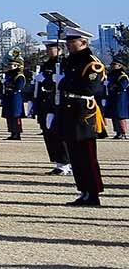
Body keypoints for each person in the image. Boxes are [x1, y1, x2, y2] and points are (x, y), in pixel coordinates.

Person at [56, 27, 106, 206]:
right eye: (68, 42)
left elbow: (90, 88)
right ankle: (83, 190)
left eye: (72, 42)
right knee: (75, 154)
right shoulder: (71, 62)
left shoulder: (92, 63)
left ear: (83, 42)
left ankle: (93, 193)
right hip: (70, 108)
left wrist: (64, 83)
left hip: (84, 110)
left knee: (87, 154)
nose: (69, 45)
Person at [36, 39, 71, 175]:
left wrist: (47, 80)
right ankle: (59, 162)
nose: (49, 51)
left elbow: (63, 82)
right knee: (49, 135)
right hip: (46, 103)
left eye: (52, 48)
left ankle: (65, 163)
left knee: (59, 134)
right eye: (48, 48)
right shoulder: (46, 65)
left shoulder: (64, 64)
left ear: (60, 50)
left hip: (59, 103)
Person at [2, 57, 28, 140]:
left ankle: (17, 133)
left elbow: (19, 87)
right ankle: (12, 132)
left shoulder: (19, 76)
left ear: (17, 66)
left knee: (16, 116)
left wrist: (9, 85)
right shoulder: (9, 74)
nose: (10, 66)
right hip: (8, 97)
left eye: (12, 65)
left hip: (15, 97)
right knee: (9, 116)